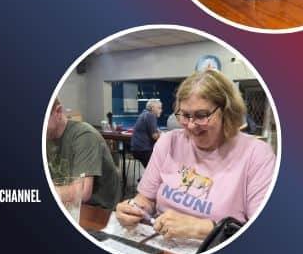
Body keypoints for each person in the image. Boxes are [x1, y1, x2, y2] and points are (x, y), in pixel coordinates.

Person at [116, 70, 275, 241]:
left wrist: (199, 228)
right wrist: (134, 209)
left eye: (201, 115)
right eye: (185, 115)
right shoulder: (168, 142)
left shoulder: (257, 154)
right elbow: (146, 198)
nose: (191, 126)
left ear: (226, 112)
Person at [46, 98, 121, 210]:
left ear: (58, 111)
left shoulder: (84, 135)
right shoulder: (46, 137)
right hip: (67, 204)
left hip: (97, 210)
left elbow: (82, 191)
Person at [130, 99, 163, 167]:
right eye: (159, 108)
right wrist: (163, 135)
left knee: (154, 168)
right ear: (152, 108)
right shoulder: (150, 116)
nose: (161, 110)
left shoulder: (144, 114)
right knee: (157, 169)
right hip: (144, 150)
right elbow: (155, 136)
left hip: (137, 149)